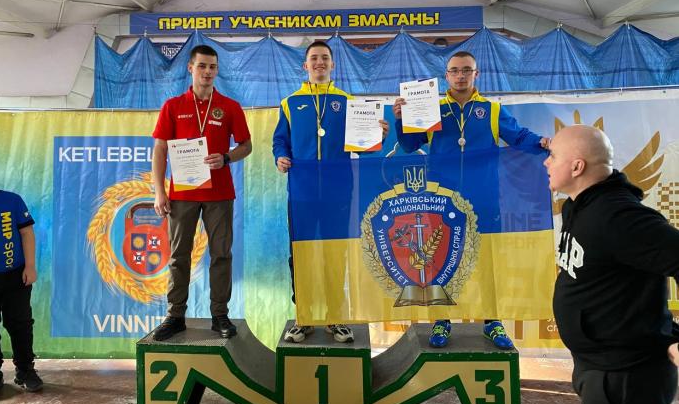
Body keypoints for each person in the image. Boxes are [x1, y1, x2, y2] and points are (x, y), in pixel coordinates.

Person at [392, 50, 549, 350]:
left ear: (476, 74)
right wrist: (400, 120)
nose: (460, 75)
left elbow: (518, 137)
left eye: (466, 70)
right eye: (454, 71)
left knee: (487, 260)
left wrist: (541, 141)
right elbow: (410, 145)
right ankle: (442, 319)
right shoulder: (432, 109)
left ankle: (492, 321)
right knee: (441, 258)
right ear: (446, 76)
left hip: (484, 197)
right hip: (443, 199)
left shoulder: (491, 110)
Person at [546, 125, 679, 404]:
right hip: (597, 365)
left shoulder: (618, 217)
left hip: (627, 373)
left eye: (553, 156)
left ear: (577, 166)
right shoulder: (577, 205)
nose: (546, 162)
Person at [273, 40, 388, 344]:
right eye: (314, 58)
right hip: (302, 192)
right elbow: (280, 140)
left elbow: (363, 147)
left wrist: (377, 135)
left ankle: (335, 316)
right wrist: (280, 157)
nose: (319, 62)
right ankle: (305, 316)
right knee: (301, 256)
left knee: (336, 255)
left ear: (333, 64)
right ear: (305, 65)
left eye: (325, 58)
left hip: (338, 192)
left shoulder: (347, 101)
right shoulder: (290, 103)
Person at [151, 44, 252, 341]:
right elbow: (160, 149)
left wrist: (227, 158)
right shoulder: (173, 106)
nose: (207, 72)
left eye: (212, 67)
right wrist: (159, 192)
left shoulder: (230, 106)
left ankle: (220, 314)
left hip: (219, 194)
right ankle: (175, 315)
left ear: (217, 70)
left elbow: (246, 145)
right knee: (178, 256)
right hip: (182, 194)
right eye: (202, 66)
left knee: (221, 254)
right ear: (190, 68)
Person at [0, 162, 43, 399]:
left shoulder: (12, 201)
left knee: (21, 324)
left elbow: (27, 233)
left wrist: (30, 266)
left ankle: (25, 371)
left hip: (16, 276)